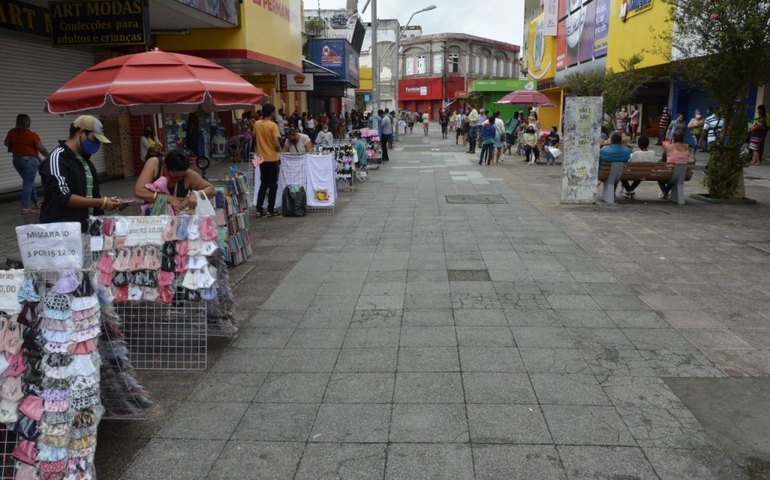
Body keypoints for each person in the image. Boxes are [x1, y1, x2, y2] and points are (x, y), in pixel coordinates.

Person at [38, 115, 125, 231]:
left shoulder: (85, 161)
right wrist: (101, 202)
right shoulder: (57, 159)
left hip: (87, 228)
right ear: (82, 133)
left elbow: (88, 195)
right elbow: (62, 197)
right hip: (63, 232)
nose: (97, 145)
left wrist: (108, 202)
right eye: (95, 139)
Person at [134, 148, 215, 214]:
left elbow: (211, 189)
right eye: (175, 176)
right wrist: (168, 198)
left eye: (182, 176)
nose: (179, 178)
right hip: (153, 216)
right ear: (166, 167)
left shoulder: (189, 174)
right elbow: (139, 191)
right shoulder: (154, 164)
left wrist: (197, 195)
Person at [5, 114, 48, 214]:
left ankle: (37, 202)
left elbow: (6, 143)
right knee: (27, 183)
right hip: (29, 161)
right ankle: (25, 207)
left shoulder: (12, 132)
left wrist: (17, 145)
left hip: (16, 160)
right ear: (28, 122)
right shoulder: (32, 135)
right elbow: (41, 149)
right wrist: (50, 156)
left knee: (29, 182)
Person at [253, 103, 282, 217]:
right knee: (273, 185)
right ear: (271, 113)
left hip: (261, 158)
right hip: (272, 158)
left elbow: (255, 140)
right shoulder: (273, 125)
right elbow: (276, 142)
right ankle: (270, 209)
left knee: (263, 184)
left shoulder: (256, 124)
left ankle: (259, 210)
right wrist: (279, 148)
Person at [659, 131, 694, 198]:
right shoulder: (687, 147)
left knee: (660, 174)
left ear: (674, 138)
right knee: (676, 176)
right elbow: (693, 159)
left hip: (670, 174)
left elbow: (663, 157)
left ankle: (665, 191)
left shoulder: (669, 147)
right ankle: (665, 192)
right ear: (683, 139)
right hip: (684, 174)